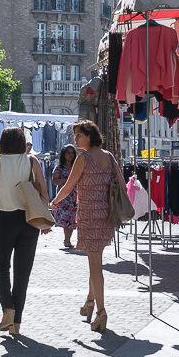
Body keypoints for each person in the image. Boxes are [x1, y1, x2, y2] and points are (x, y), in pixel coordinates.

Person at [51, 120, 124, 333]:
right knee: (96, 259)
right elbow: (119, 181)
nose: (75, 140)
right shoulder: (108, 156)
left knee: (95, 266)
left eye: (78, 135)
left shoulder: (84, 158)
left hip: (90, 216)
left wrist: (55, 203)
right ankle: (89, 303)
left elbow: (68, 186)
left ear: (89, 136)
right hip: (106, 215)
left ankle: (101, 311)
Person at [0, 126, 49, 336]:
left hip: (5, 218)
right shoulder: (32, 161)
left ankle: (8, 309)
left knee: (0, 264)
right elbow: (43, 191)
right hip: (30, 218)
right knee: (23, 271)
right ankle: (16, 324)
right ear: (22, 143)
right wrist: (45, 219)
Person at [52, 145, 78, 248]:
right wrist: (66, 181)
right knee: (65, 218)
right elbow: (54, 181)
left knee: (72, 219)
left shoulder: (76, 167)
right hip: (64, 198)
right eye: (68, 153)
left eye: (72, 153)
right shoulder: (59, 168)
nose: (70, 155)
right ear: (64, 154)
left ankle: (68, 240)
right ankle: (67, 240)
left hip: (74, 196)